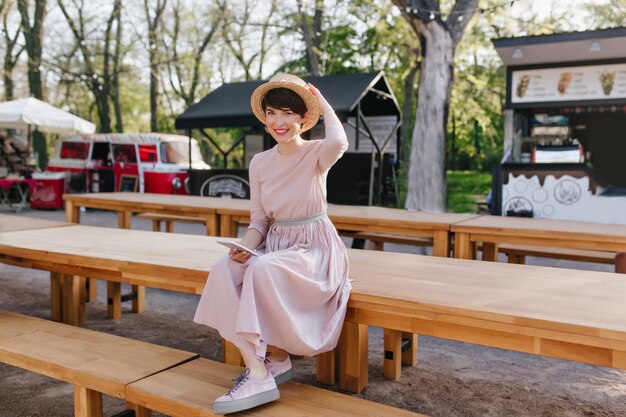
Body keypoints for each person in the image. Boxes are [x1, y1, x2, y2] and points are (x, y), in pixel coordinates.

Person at [193, 73, 351, 415]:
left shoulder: (316, 153)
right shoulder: (259, 162)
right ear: (264, 117)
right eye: (272, 113)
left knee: (262, 269)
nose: (279, 122)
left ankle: (268, 365)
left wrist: (321, 102)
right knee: (225, 268)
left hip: (314, 249)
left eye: (288, 113)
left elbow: (339, 142)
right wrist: (244, 246)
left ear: (303, 118)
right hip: (275, 245)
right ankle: (261, 366)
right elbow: (259, 221)